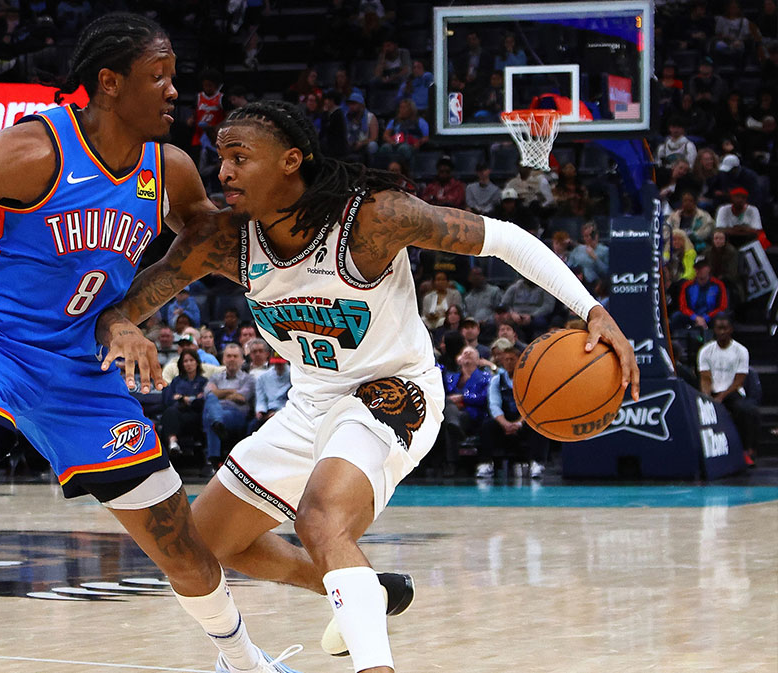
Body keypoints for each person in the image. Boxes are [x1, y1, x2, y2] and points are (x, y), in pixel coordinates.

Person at [96, 99, 637, 673]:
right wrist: (120, 324)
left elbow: (502, 238)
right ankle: (360, 587)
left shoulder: (373, 218)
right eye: (220, 158)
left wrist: (590, 307)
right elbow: (128, 307)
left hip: (395, 391)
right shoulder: (224, 241)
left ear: (290, 161)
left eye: (239, 157)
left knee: (320, 520)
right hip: (310, 403)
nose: (223, 172)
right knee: (199, 546)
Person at [0, 14, 298, 673]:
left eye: (174, 74)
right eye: (159, 77)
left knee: (180, 539)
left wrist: (311, 272)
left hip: (77, 365)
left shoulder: (169, 170)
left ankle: (245, 663)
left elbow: (210, 250)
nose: (176, 89)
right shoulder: (32, 151)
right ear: (109, 83)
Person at [477, 339, 549, 479]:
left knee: (539, 426)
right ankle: (486, 464)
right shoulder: (497, 380)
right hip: (505, 421)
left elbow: (532, 406)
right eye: (506, 359)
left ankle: (537, 463)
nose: (509, 362)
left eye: (512, 359)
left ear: (520, 361)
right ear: (502, 362)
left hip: (524, 420)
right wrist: (505, 424)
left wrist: (519, 423)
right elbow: (494, 405)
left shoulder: (529, 379)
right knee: (486, 425)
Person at [698, 315, 760, 466]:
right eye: (719, 328)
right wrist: (707, 397)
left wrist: (722, 397)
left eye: (725, 328)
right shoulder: (705, 351)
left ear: (731, 329)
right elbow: (705, 378)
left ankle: (747, 451)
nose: (722, 331)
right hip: (712, 392)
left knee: (747, 410)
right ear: (715, 330)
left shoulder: (741, 351)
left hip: (732, 393)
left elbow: (739, 380)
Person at [202, 342, 255, 473]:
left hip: (236, 414)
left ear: (242, 360)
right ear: (223, 359)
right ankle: (217, 423)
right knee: (211, 403)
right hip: (218, 410)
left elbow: (242, 398)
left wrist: (219, 393)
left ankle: (213, 461)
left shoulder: (249, 379)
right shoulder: (215, 377)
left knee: (211, 412)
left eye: (235, 356)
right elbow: (207, 393)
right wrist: (232, 392)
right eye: (229, 356)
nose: (232, 359)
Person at [159, 349, 207, 456]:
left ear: (197, 362)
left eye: (191, 360)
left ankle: (173, 443)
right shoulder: (177, 380)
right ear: (182, 364)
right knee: (170, 411)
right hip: (177, 412)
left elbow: (201, 402)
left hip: (195, 415)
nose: (189, 364)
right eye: (185, 361)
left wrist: (183, 398)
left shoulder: (203, 381)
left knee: (171, 413)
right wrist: (190, 398)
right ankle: (173, 443)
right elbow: (169, 400)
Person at [672, 261, 730, 331]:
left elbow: (722, 306)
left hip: (711, 316)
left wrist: (706, 317)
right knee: (677, 316)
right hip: (692, 316)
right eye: (698, 268)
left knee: (721, 316)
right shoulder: (687, 285)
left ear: (708, 269)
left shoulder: (718, 285)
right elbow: (683, 306)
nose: (700, 270)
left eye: (702, 267)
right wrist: (695, 317)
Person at [567, 222, 610, 287]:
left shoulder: (605, 250)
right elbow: (568, 267)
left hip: (596, 285)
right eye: (586, 236)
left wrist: (595, 258)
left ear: (596, 235)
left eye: (592, 235)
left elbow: (606, 272)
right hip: (578, 284)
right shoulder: (577, 249)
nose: (589, 238)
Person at [253, 355, 290, 427]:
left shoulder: (292, 376)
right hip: (268, 411)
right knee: (253, 426)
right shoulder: (262, 378)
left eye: (281, 364)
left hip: (286, 412)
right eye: (277, 364)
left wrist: (278, 412)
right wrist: (260, 411)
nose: (279, 366)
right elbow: (261, 398)